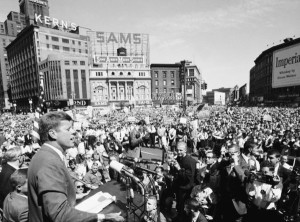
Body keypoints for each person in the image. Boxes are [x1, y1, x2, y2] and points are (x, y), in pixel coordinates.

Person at [27, 111, 124, 222]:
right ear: (52, 133)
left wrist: (82, 195)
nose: (74, 132)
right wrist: (102, 217)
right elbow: (59, 214)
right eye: (68, 129)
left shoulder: (47, 155)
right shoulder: (49, 162)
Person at [171, 141, 197, 217]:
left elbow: (188, 179)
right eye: (177, 150)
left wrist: (179, 168)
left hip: (186, 190)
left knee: (184, 210)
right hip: (179, 188)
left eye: (181, 150)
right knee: (179, 207)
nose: (178, 152)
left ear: (185, 150)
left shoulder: (189, 161)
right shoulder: (179, 158)